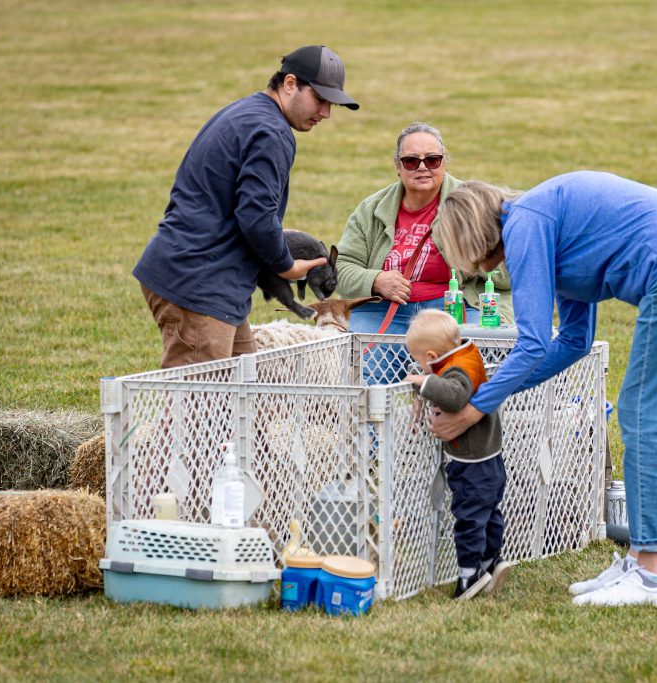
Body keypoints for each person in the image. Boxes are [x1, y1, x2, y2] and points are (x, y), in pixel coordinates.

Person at [429, 171, 657, 608]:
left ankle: (652, 579)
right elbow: (572, 341)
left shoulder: (524, 225)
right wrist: (493, 390)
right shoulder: (544, 223)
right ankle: (640, 558)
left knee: (642, 414)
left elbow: (532, 340)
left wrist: (476, 406)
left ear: (473, 235)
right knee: (642, 412)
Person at [134, 45, 358, 368]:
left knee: (241, 397)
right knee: (201, 411)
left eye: (331, 104)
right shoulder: (271, 132)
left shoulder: (247, 112)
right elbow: (256, 217)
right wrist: (287, 266)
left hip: (205, 280)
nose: (325, 113)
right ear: (290, 84)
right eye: (320, 99)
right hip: (200, 283)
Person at [335, 122, 513, 347]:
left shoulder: (473, 203)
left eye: (432, 160)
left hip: (458, 306)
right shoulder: (372, 209)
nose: (422, 167)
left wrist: (473, 255)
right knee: (366, 373)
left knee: (465, 369)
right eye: (411, 161)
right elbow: (340, 268)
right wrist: (376, 280)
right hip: (382, 308)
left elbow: (510, 275)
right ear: (397, 167)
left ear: (444, 163)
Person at [403, 310, 514, 600]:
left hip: (472, 462)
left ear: (430, 355)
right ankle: (492, 560)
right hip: (490, 457)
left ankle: (469, 576)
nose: (420, 367)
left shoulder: (456, 370)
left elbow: (455, 395)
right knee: (489, 513)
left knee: (468, 518)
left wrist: (423, 382)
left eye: (419, 361)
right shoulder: (468, 353)